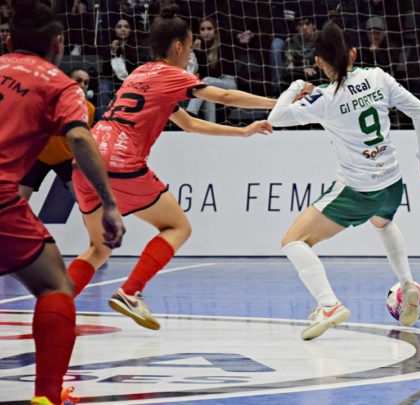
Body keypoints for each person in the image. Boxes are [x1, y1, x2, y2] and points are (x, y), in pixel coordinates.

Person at [67, 4, 275, 331]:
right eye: (191, 47)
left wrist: (243, 131)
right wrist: (278, 103)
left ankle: (54, 306)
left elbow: (188, 123)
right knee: (177, 227)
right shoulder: (173, 74)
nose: (190, 54)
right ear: (179, 46)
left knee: (98, 247)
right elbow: (225, 96)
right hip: (121, 161)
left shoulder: (140, 73)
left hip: (87, 157)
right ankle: (130, 292)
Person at [268, 22, 420, 341]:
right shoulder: (377, 76)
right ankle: (407, 283)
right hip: (392, 182)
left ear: (319, 62)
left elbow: (275, 118)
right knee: (384, 222)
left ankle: (329, 305)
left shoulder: (322, 98)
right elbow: (419, 110)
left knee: (293, 242)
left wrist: (295, 86)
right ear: (353, 54)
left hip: (357, 189)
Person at [0, 2, 125, 404]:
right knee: (55, 285)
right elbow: (79, 138)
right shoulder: (58, 84)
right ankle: (46, 398)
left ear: (8, 41)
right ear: (58, 44)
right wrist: (108, 202)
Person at [19, 68, 96, 201]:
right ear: (68, 81)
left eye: (86, 83)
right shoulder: (48, 101)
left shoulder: (89, 109)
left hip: (67, 159)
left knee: (86, 204)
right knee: (16, 203)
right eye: (78, 80)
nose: (82, 85)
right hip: (38, 156)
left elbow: (83, 137)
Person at [185, 18, 237, 122]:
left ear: (215, 31)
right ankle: (211, 125)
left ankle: (190, 112)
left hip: (228, 82)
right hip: (211, 83)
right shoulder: (199, 46)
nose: (206, 32)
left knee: (206, 81)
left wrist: (201, 55)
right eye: (202, 29)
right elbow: (202, 72)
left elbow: (216, 73)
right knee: (208, 97)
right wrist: (197, 53)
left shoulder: (222, 46)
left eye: (209, 29)